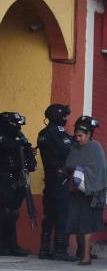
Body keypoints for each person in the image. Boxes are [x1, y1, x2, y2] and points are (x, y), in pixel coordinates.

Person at [65, 116, 107, 265]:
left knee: (86, 225)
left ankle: (86, 257)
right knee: (76, 224)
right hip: (75, 191)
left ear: (89, 135)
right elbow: (69, 163)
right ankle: (82, 252)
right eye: (76, 135)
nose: (77, 139)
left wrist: (82, 171)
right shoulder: (74, 148)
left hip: (91, 192)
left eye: (80, 136)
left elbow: (99, 170)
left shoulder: (95, 148)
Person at [36, 104, 76, 261]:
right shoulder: (58, 133)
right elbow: (69, 150)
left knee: (49, 215)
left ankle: (44, 249)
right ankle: (60, 250)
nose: (66, 119)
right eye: (65, 116)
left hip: (50, 178)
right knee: (62, 215)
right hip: (61, 179)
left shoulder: (43, 133)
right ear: (59, 117)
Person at [0, 112, 36, 256]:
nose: (18, 129)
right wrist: (20, 145)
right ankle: (7, 246)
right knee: (5, 212)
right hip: (3, 179)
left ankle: (10, 245)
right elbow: (8, 145)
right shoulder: (5, 139)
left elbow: (25, 157)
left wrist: (28, 152)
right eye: (16, 125)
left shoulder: (18, 138)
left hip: (15, 180)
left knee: (11, 213)